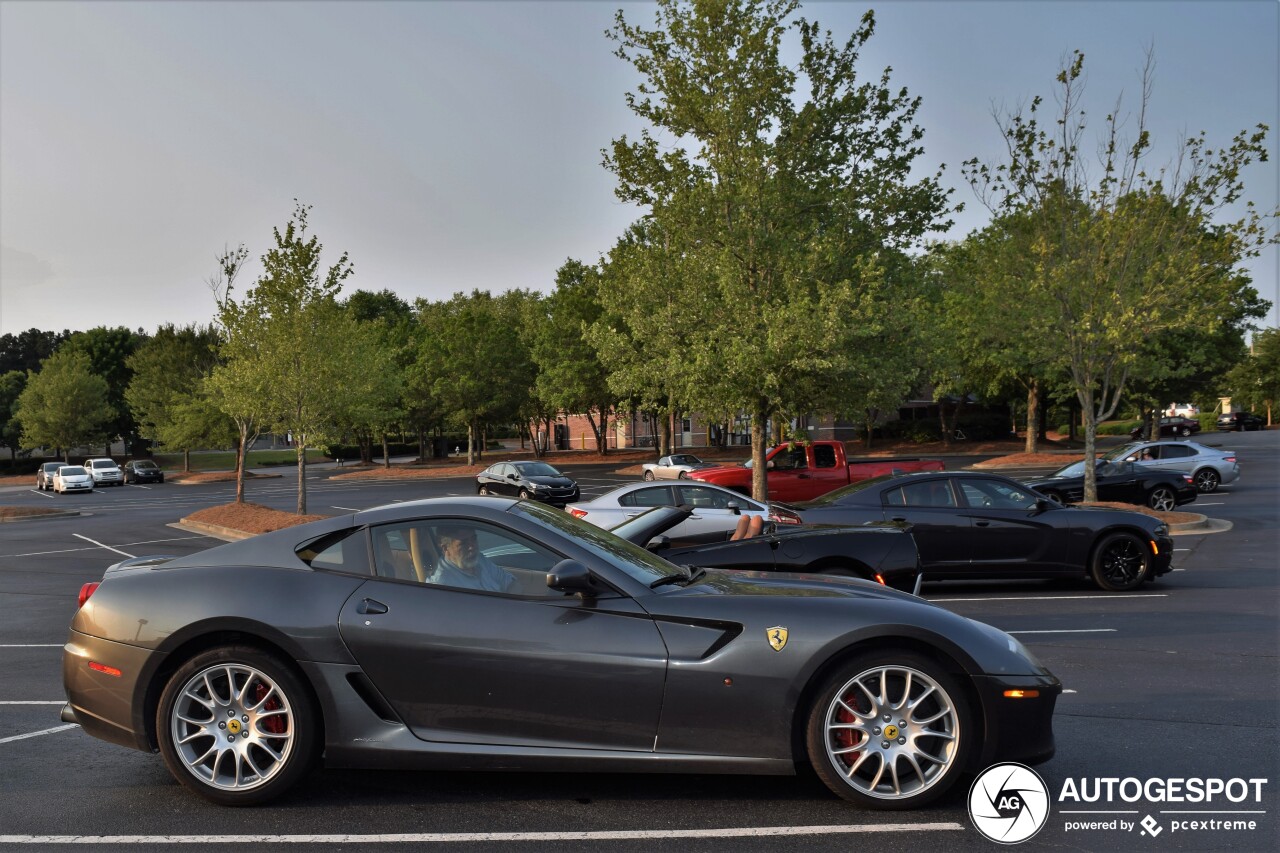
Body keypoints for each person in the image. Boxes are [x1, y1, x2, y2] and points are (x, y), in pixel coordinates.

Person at [431, 524, 514, 593]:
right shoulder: (441, 585)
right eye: (463, 543)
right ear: (445, 548)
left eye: (473, 539)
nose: (471, 547)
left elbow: (512, 583)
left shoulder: (480, 560)